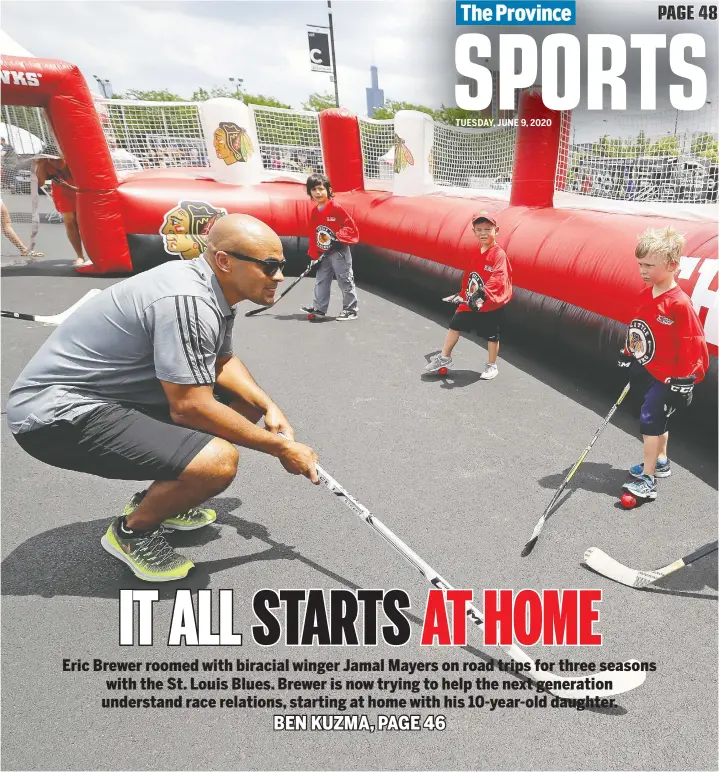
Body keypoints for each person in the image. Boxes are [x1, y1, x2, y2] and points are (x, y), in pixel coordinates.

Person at [6, 214, 319, 583]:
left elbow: (221, 361)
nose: (279, 276)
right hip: (54, 414)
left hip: (108, 395)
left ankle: (167, 499)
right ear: (224, 261)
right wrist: (280, 448)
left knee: (245, 401)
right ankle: (132, 532)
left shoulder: (215, 289)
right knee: (217, 463)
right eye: (269, 267)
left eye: (282, 265)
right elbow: (189, 407)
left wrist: (268, 406)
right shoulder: (187, 299)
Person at [618, 227, 708, 502]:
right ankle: (660, 461)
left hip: (668, 377)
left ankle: (647, 479)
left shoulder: (679, 303)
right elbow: (640, 329)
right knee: (657, 419)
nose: (643, 271)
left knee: (649, 420)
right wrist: (628, 350)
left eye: (649, 265)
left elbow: (694, 343)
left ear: (672, 266)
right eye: (640, 265)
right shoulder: (647, 294)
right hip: (647, 368)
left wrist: (686, 380)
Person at [426, 211, 513, 380]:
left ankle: (491, 365)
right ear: (474, 231)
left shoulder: (498, 255)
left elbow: (499, 277)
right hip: (470, 301)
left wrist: (482, 294)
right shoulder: (476, 252)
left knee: (491, 336)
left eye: (488, 229)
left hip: (490, 304)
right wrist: (461, 295)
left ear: (497, 230)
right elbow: (470, 277)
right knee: (455, 324)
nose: (483, 233)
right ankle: (444, 358)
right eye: (479, 229)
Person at [301, 173, 360, 321]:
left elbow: (350, 226)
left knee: (345, 279)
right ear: (310, 192)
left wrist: (338, 237)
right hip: (323, 254)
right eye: (314, 190)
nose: (318, 192)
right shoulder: (315, 212)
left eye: (321, 188)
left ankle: (350, 309)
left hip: (339, 252)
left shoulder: (335, 208)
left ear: (328, 190)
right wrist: (314, 255)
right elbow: (314, 233)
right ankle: (320, 308)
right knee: (321, 280)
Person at [34, 156, 90, 267]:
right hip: (62, 193)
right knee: (69, 222)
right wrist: (40, 165)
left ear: (64, 157)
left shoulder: (73, 160)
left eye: (57, 159)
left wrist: (68, 186)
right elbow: (40, 183)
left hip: (79, 192)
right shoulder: (46, 164)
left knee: (83, 223)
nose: (54, 163)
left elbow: (85, 186)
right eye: (51, 160)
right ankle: (80, 255)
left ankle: (92, 255)